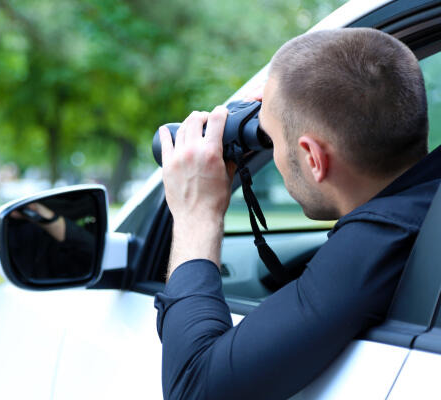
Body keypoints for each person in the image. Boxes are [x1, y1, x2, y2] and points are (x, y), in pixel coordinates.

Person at [154, 28, 441, 400]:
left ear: (313, 159)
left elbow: (194, 388)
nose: (269, 151)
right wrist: (284, 109)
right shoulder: (422, 207)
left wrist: (197, 215)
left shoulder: (379, 241)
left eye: (270, 139)